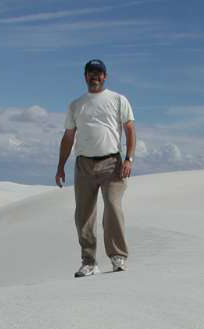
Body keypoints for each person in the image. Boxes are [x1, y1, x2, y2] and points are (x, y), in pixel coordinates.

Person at [55, 59, 136, 278]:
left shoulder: (118, 100)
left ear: (105, 76)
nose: (95, 76)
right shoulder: (76, 104)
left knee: (112, 207)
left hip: (112, 163)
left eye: (99, 73)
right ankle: (89, 261)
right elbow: (69, 136)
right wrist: (60, 166)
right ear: (85, 76)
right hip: (84, 164)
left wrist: (129, 158)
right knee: (83, 215)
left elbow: (129, 128)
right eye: (91, 73)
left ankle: (118, 256)